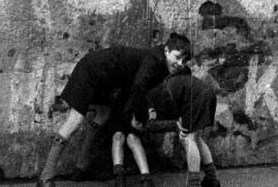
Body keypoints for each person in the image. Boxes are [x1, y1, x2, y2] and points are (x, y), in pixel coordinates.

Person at [37, 33, 192, 187]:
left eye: (184, 61)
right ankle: (45, 177)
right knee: (75, 121)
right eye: (177, 57)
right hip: (90, 71)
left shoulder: (161, 64)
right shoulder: (154, 60)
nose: (180, 63)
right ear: (166, 50)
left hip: (105, 80)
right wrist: (141, 118)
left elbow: (133, 87)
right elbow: (139, 87)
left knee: (103, 115)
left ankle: (81, 168)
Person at [126, 71, 221, 187]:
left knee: (187, 139)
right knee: (196, 138)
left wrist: (175, 125)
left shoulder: (145, 103)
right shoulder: (152, 94)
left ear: (134, 117)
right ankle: (212, 179)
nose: (141, 127)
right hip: (206, 92)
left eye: (138, 125)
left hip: (194, 96)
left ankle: (194, 184)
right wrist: (175, 124)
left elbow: (151, 125)